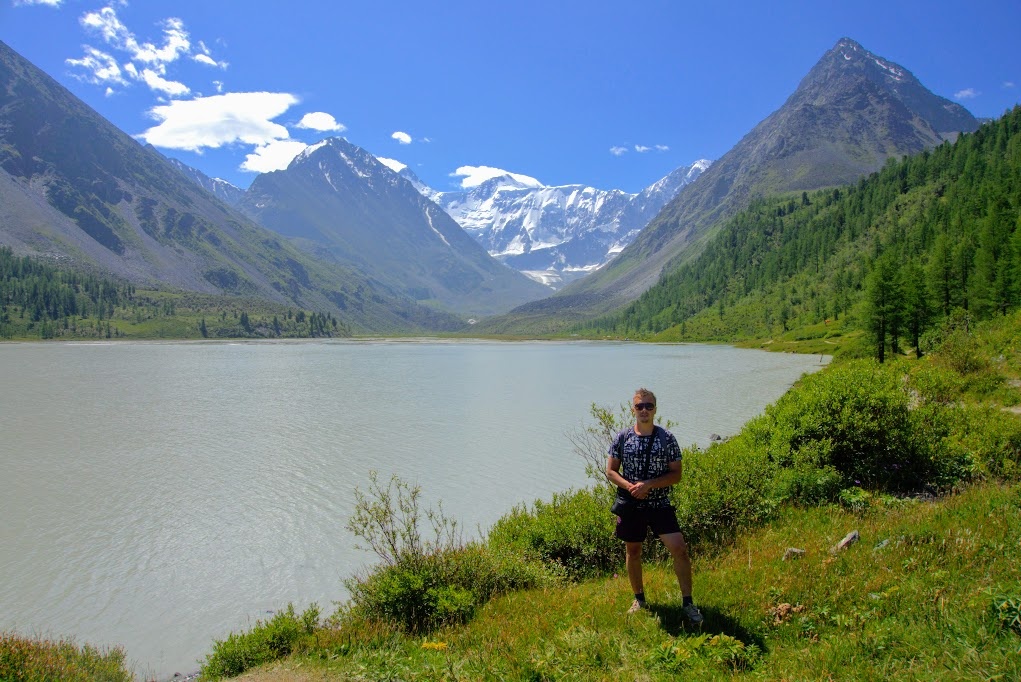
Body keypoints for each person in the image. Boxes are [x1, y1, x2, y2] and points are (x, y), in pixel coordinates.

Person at [605, 388, 703, 623]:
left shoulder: (666, 438)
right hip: (631, 504)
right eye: (640, 406)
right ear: (633, 410)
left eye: (649, 406)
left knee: (679, 548)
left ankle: (688, 603)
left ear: (655, 409)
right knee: (633, 551)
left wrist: (649, 484)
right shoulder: (622, 438)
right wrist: (631, 487)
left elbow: (676, 474)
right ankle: (639, 599)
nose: (644, 411)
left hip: (660, 504)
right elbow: (610, 471)